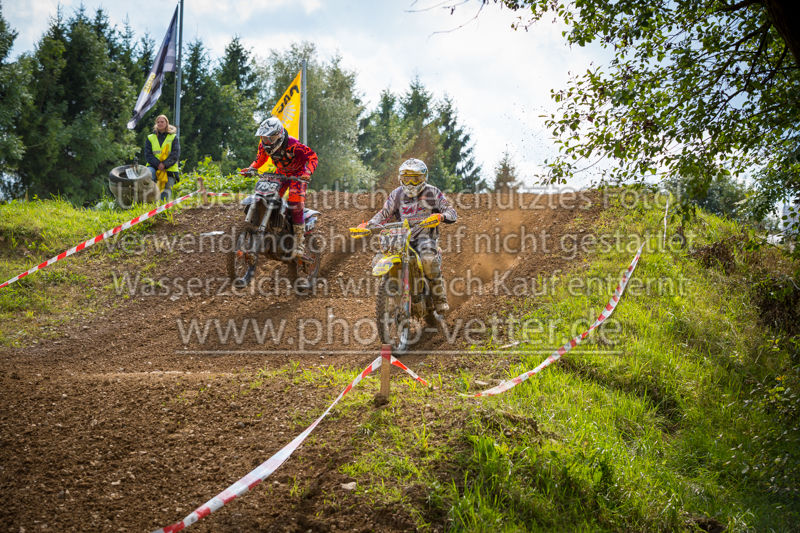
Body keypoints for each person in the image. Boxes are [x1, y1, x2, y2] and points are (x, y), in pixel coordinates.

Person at [360, 158, 457, 313]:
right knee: (378, 260)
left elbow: (451, 212)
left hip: (425, 238)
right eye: (407, 179)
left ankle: (440, 299)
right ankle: (389, 294)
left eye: (415, 179)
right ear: (401, 179)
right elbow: (384, 213)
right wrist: (369, 224)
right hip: (400, 238)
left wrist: (441, 216)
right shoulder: (397, 194)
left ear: (423, 178)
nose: (410, 184)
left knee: (428, 260)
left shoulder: (432, 192)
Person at [241, 117, 318, 259]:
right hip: (281, 174)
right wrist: (251, 168)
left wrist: (308, 172)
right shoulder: (264, 145)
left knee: (295, 204)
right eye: (264, 138)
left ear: (278, 136)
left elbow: (313, 157)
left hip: (298, 175)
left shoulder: (294, 145)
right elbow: (260, 159)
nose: (266, 141)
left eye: (269, 138)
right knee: (269, 197)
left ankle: (299, 242)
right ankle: (272, 228)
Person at [144, 114, 180, 201]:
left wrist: (164, 164)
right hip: (153, 167)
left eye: (162, 122)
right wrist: (158, 164)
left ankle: (163, 207)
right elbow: (148, 155)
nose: (160, 123)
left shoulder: (173, 137)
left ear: (166, 123)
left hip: (169, 169)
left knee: (165, 195)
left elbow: (175, 154)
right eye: (158, 122)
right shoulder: (150, 138)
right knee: (148, 176)